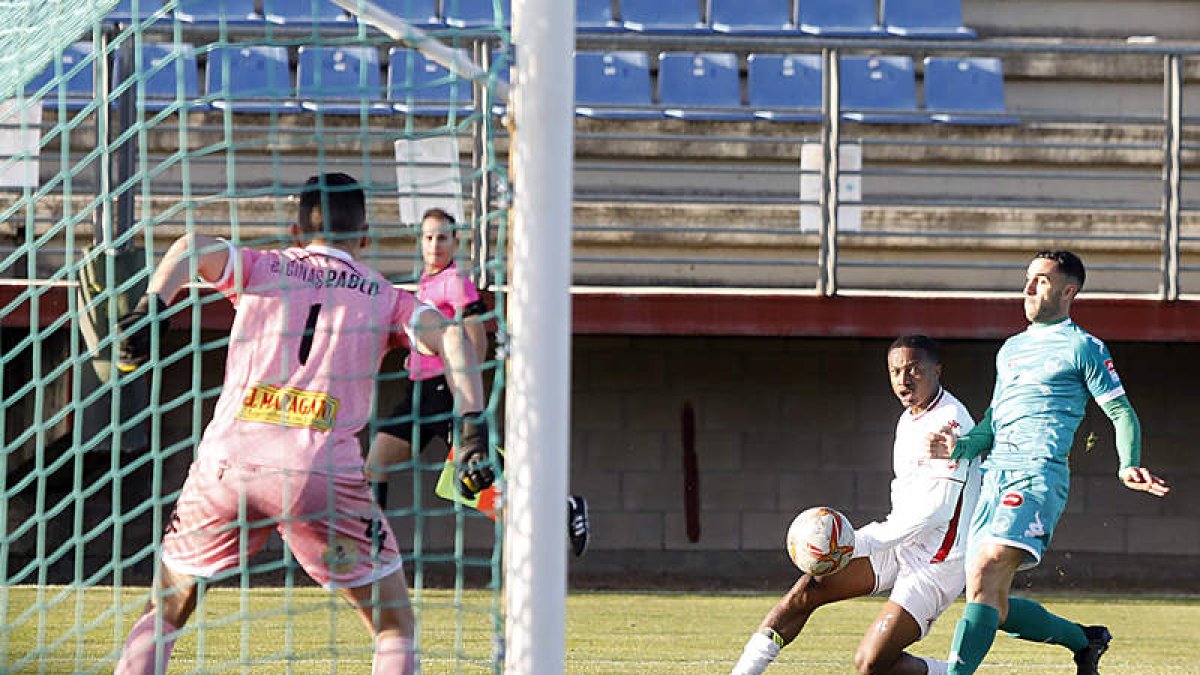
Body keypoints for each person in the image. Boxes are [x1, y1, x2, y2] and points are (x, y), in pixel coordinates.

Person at [111, 173, 498, 675]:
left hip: (228, 467)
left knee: (165, 609)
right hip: (318, 479)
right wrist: (471, 426)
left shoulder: (262, 266)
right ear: (362, 239)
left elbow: (190, 245)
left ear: (296, 231)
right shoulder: (384, 296)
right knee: (393, 626)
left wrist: (152, 309)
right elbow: (451, 338)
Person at [926, 250, 1171, 675]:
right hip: (993, 478)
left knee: (986, 568)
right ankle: (1085, 640)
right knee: (990, 602)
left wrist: (1127, 463)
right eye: (1028, 278)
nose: (1027, 288)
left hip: (1037, 474)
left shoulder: (1084, 347)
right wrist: (961, 446)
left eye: (1040, 280)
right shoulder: (1011, 349)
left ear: (1068, 290)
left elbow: (1120, 412)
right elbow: (993, 421)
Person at [732, 334, 980, 675]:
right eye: (895, 371)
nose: (904, 380)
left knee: (870, 664)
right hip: (899, 544)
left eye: (914, 370)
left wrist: (856, 542)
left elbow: (934, 512)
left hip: (937, 559)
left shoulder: (950, 421)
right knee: (809, 588)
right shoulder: (909, 418)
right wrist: (856, 544)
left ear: (937, 370)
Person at [365, 207, 590, 556]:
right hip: (418, 391)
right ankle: (372, 547)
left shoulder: (456, 283)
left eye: (443, 237)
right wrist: (414, 357)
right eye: (429, 237)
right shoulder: (426, 284)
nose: (435, 244)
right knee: (376, 463)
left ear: (456, 242)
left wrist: (467, 391)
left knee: (480, 473)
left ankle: (560, 509)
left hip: (443, 392)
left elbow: (474, 336)